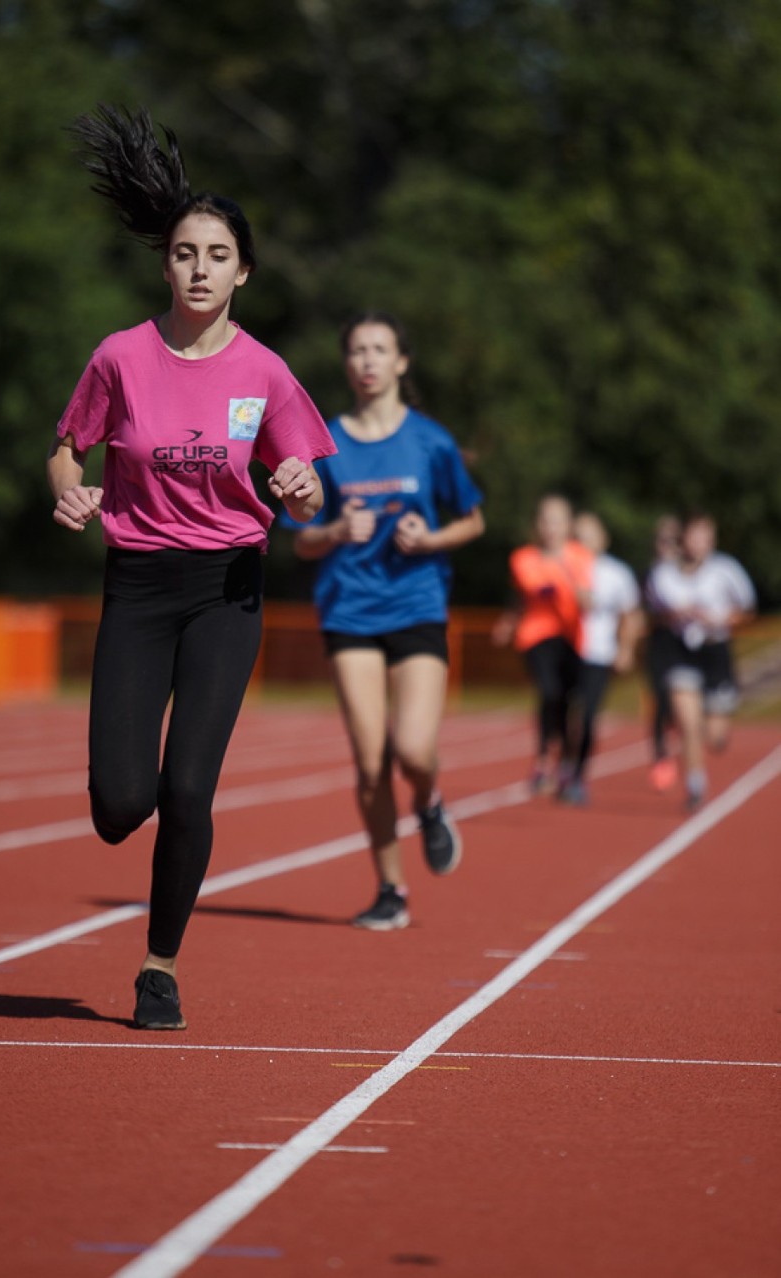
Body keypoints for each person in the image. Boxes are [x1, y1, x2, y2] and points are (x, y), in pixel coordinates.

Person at [46, 106, 336, 1030]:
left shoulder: (268, 373)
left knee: (187, 789)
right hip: (137, 585)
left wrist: (297, 488)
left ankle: (159, 967)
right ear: (164, 264)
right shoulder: (119, 358)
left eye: (217, 255)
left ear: (242, 269)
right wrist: (71, 488)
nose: (199, 269)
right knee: (120, 803)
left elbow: (309, 489)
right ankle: (122, 817)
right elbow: (67, 448)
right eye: (184, 253)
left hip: (228, 588)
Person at [286, 312, 484, 931]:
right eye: (357, 350)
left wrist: (430, 538)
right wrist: (337, 530)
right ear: (347, 365)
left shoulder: (431, 441)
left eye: (381, 349)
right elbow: (299, 539)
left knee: (412, 749)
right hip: (350, 607)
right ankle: (391, 887)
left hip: (418, 603)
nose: (368, 360)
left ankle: (427, 802)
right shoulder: (327, 442)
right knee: (370, 762)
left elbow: (473, 520)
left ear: (402, 363)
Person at [645, 513, 756, 811]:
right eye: (694, 535)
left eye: (706, 536)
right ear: (683, 539)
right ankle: (695, 784)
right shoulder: (664, 573)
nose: (699, 543)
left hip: (716, 651)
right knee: (688, 724)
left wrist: (717, 619)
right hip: (681, 651)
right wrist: (677, 615)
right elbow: (656, 612)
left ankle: (715, 728)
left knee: (714, 736)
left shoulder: (726, 570)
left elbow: (746, 610)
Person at [492, 494, 593, 796]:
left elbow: (586, 599)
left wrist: (574, 581)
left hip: (572, 637)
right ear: (537, 525)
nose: (551, 527)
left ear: (568, 525)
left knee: (567, 700)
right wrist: (508, 623)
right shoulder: (523, 558)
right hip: (536, 635)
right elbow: (530, 593)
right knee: (548, 691)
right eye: (546, 520)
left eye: (558, 520)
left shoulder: (581, 556)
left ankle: (562, 759)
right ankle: (542, 757)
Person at [565, 512, 644, 804]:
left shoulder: (616, 573)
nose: (583, 542)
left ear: (603, 538)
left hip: (598, 654)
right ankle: (561, 761)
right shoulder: (563, 566)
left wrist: (625, 649)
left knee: (586, 716)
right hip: (566, 649)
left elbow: (631, 613)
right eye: (578, 536)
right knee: (560, 708)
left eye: (589, 535)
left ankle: (577, 774)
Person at [644, 514, 682, 791]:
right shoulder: (651, 574)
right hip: (659, 644)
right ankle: (661, 754)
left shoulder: (692, 572)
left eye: (672, 540)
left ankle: (682, 738)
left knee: (682, 703)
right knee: (661, 700)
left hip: (687, 647)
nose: (666, 545)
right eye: (661, 539)